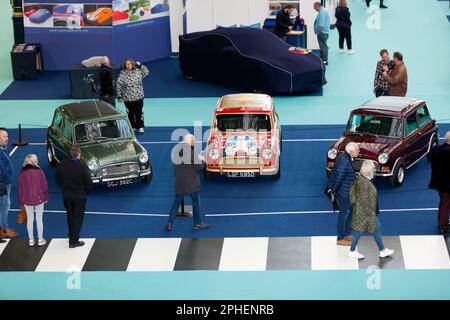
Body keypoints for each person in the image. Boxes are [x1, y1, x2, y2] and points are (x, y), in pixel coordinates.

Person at [347, 160, 394, 259]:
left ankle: (382, 250)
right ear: (369, 169)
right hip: (364, 213)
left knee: (370, 229)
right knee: (358, 232)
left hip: (364, 212)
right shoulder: (364, 183)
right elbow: (364, 201)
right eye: (373, 167)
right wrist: (371, 214)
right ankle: (352, 251)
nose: (375, 169)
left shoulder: (364, 179)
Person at [165, 134, 209, 231]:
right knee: (196, 202)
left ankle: (169, 223)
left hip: (179, 182)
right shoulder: (193, 153)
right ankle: (197, 223)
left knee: (176, 203)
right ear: (192, 142)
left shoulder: (176, 151)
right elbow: (199, 168)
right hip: (192, 183)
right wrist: (202, 159)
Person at [55, 146, 93, 248]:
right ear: (79, 155)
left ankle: (71, 233)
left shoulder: (62, 165)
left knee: (70, 215)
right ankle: (74, 241)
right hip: (79, 196)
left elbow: (57, 179)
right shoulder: (81, 167)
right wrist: (84, 191)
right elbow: (89, 183)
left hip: (66, 195)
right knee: (77, 218)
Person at [328, 142, 359, 246]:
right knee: (344, 215)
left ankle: (346, 234)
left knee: (350, 213)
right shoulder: (344, 161)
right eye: (357, 150)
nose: (359, 151)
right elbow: (339, 178)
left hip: (348, 192)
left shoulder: (346, 158)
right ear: (351, 151)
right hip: (344, 194)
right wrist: (333, 192)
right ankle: (340, 238)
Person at [18, 154, 49, 247]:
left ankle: (31, 240)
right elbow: (45, 185)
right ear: (35, 161)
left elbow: (20, 188)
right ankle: (40, 239)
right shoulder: (39, 172)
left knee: (30, 220)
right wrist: (46, 197)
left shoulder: (22, 173)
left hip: (27, 200)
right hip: (39, 198)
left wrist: (21, 200)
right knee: (39, 219)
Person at [116, 58, 149, 134]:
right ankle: (132, 127)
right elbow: (118, 85)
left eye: (130, 64)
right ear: (125, 65)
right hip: (128, 98)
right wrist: (119, 96)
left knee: (139, 112)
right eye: (127, 64)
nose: (128, 65)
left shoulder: (138, 71)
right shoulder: (122, 73)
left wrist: (140, 65)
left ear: (132, 64)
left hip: (139, 97)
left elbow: (146, 72)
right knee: (130, 113)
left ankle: (140, 127)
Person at [428, 131, 450, 234]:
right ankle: (443, 226)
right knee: (445, 205)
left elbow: (430, 159)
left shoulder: (436, 149)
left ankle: (443, 223)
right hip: (447, 185)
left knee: (444, 203)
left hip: (438, 183)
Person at [0, 128, 18, 239]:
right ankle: (4, 230)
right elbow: (2, 168)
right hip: (3, 184)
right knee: (4, 206)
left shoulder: (3, 148)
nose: (7, 139)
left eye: (7, 136)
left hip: (5, 182)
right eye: (4, 137)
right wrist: (7, 181)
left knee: (4, 205)